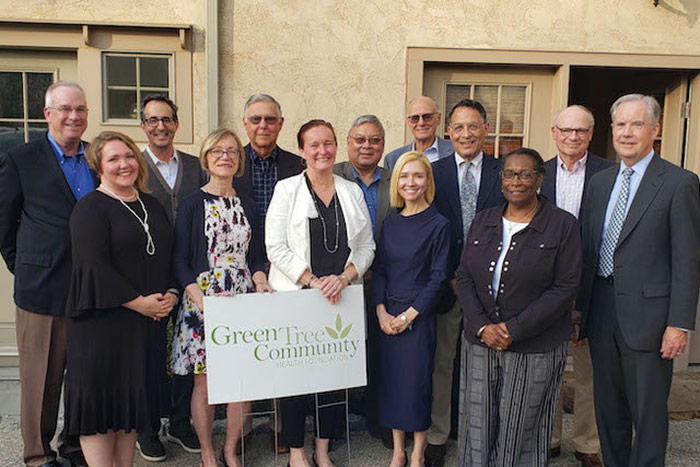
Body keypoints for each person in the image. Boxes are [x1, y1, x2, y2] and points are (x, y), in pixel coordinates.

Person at [577, 94, 700, 467]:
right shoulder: (599, 183)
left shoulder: (679, 183)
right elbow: (588, 250)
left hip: (650, 319)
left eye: (636, 124)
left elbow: (687, 259)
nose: (627, 133)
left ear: (655, 129)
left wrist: (678, 324)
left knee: (647, 415)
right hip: (602, 312)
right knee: (609, 410)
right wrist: (579, 310)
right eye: (620, 125)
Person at [455, 148, 582, 466]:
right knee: (477, 423)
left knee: (522, 427)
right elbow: (464, 277)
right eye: (510, 174)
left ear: (540, 178)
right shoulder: (484, 220)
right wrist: (483, 326)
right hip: (480, 342)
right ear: (501, 179)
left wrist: (514, 329)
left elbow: (565, 287)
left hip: (534, 345)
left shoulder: (562, 225)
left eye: (526, 174)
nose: (517, 181)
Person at [266, 119, 375, 467]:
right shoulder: (286, 190)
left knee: (333, 378)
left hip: (340, 297)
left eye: (327, 143)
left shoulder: (350, 190)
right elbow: (275, 247)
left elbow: (367, 246)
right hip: (298, 296)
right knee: (295, 379)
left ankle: (323, 448)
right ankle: (296, 450)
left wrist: (343, 278)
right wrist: (313, 281)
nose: (322, 151)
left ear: (335, 147)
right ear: (302, 151)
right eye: (313, 145)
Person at [64, 131, 177, 467]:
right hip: (102, 327)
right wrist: (140, 302)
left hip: (143, 327)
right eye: (113, 159)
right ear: (98, 165)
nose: (124, 164)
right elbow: (92, 267)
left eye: (128, 156)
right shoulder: (90, 208)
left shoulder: (150, 203)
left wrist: (170, 294)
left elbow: (167, 256)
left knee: (129, 405)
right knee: (100, 409)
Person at [0, 81, 92, 467]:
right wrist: (24, 264)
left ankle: (74, 444)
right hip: (41, 287)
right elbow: (4, 223)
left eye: (81, 109)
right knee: (42, 377)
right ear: (47, 114)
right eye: (66, 109)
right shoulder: (21, 159)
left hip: (92, 287)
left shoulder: (98, 157)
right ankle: (38, 455)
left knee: (83, 376)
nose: (74, 116)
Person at [170, 128, 270, 467]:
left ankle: (230, 449)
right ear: (206, 159)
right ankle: (208, 453)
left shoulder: (250, 206)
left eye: (231, 151)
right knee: (207, 384)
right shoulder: (191, 204)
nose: (225, 156)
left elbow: (257, 257)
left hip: (241, 301)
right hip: (204, 303)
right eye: (217, 151)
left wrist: (260, 279)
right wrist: (200, 300)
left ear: (239, 161)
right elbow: (179, 260)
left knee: (241, 383)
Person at [427, 98, 504, 467]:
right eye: (458, 127)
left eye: (473, 126)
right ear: (449, 132)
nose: (465, 134)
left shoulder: (504, 171)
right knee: (442, 363)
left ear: (485, 129)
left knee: (486, 368)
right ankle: (438, 435)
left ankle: (481, 434)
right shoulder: (434, 172)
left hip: (491, 290)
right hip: (445, 287)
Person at [541, 105, 612, 467]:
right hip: (544, 290)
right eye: (566, 130)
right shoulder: (540, 173)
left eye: (581, 131)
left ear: (591, 134)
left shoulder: (609, 173)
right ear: (554, 132)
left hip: (594, 284)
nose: (572, 137)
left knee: (588, 371)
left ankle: (587, 443)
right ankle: (549, 438)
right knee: (548, 369)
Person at [136, 94, 206, 461]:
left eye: (167, 119)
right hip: (148, 275)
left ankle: (180, 421)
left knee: (188, 353)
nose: (160, 126)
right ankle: (147, 427)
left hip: (191, 273)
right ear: (143, 125)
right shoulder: (134, 167)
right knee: (148, 355)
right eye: (152, 120)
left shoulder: (197, 167)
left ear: (176, 124)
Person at [373, 151, 450, 467]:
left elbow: (438, 277)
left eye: (418, 175)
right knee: (392, 384)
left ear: (427, 181)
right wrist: (381, 311)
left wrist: (409, 315)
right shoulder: (390, 223)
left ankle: (417, 452)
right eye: (404, 176)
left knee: (417, 385)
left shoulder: (439, 224)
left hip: (419, 317)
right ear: (397, 182)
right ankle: (397, 451)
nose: (410, 182)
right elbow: (380, 270)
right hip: (389, 315)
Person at [333, 115, 393, 444]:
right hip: (343, 278)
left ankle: (378, 419)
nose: (366, 146)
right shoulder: (334, 174)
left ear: (382, 145)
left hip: (385, 278)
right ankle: (335, 424)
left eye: (373, 140)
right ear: (348, 142)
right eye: (360, 139)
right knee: (339, 348)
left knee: (380, 351)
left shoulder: (394, 178)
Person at [384, 96, 453, 173]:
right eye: (415, 118)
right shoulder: (393, 159)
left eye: (427, 117)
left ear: (438, 118)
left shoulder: (455, 151)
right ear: (408, 122)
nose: (421, 123)